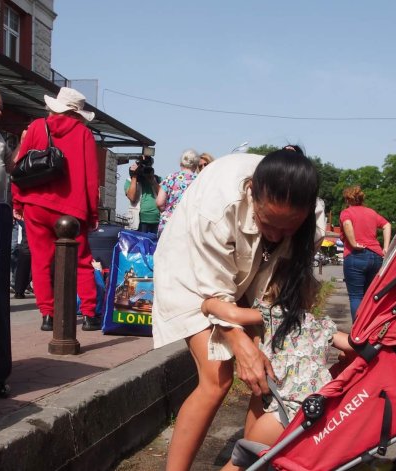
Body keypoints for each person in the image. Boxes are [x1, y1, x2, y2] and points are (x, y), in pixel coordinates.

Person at [152, 146, 325, 471]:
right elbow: (213, 295)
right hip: (193, 272)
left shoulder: (312, 217)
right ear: (251, 193)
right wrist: (239, 340)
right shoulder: (219, 202)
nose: (275, 235)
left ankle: (248, 464)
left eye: (288, 229)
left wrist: (263, 338)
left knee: (269, 369)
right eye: (267, 222)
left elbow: (278, 285)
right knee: (217, 378)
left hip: (249, 279)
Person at [200, 257, 353, 471]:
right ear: (311, 294)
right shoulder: (322, 325)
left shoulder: (273, 315)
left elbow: (233, 314)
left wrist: (209, 304)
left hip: (280, 415)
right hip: (315, 414)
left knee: (240, 465)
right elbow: (352, 344)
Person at [12, 87, 101, 332]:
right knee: (82, 260)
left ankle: (48, 315)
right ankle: (90, 314)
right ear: (77, 113)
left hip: (36, 204)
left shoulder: (37, 127)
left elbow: (21, 166)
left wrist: (18, 202)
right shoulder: (83, 134)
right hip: (71, 207)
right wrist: (92, 213)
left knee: (40, 261)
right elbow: (91, 179)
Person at [339, 186, 391, 321]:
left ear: (347, 199)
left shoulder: (346, 212)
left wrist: (353, 243)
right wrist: (386, 247)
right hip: (376, 256)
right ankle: (368, 330)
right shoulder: (371, 212)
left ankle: (357, 333)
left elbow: (347, 224)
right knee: (370, 296)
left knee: (356, 296)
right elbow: (387, 225)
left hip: (356, 256)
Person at [155, 148, 199, 236]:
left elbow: (160, 203)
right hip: (189, 227)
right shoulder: (199, 180)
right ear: (195, 165)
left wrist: (167, 211)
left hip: (168, 225)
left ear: (181, 164)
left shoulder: (171, 178)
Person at [125, 159, 161, 234]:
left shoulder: (157, 179)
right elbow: (132, 197)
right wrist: (134, 176)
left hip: (157, 220)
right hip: (139, 221)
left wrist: (152, 180)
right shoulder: (130, 180)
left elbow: (163, 196)